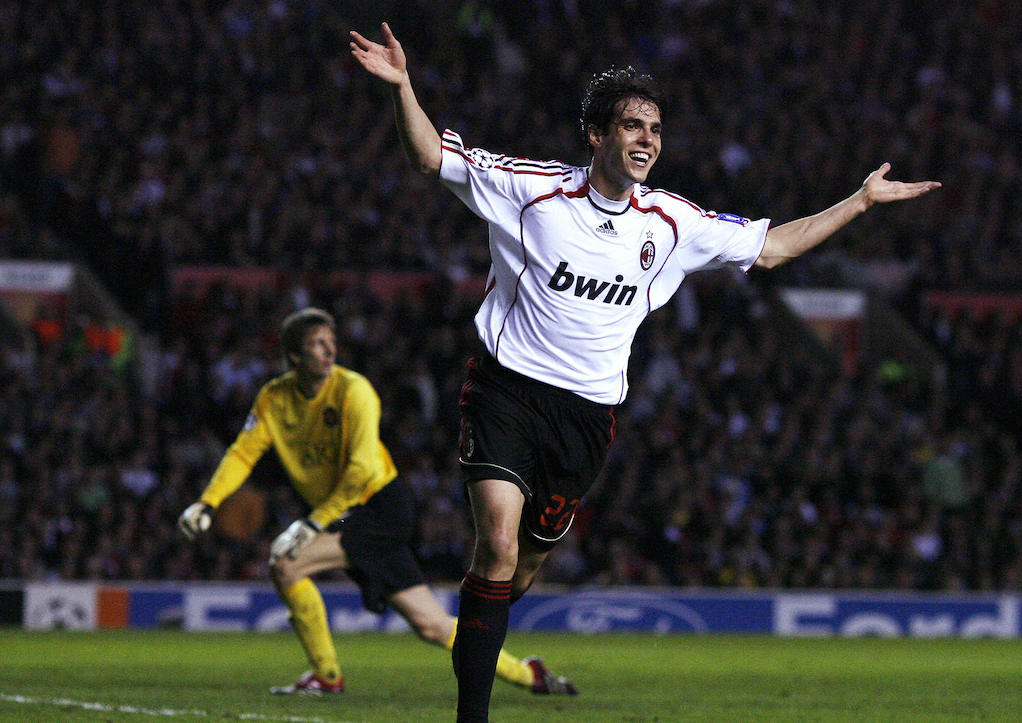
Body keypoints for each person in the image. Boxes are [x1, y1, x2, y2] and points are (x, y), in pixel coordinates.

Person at [350, 22, 941, 722]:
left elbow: (774, 247)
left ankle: (479, 613)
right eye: (632, 124)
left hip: (587, 418)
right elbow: (429, 159)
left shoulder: (671, 222)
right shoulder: (532, 191)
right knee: (499, 541)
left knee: (518, 568)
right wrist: (403, 87)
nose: (648, 138)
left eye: (655, 128)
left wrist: (861, 201)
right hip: (506, 390)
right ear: (596, 135)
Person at [177, 307, 576, 696]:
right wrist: (207, 503)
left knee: (286, 565)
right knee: (431, 625)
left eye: (331, 341)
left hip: (381, 507)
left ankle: (327, 676)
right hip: (345, 515)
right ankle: (529, 675)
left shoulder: (354, 390)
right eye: (318, 344)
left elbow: (361, 470)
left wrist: (312, 523)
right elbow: (243, 452)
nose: (330, 350)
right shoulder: (273, 399)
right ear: (295, 356)